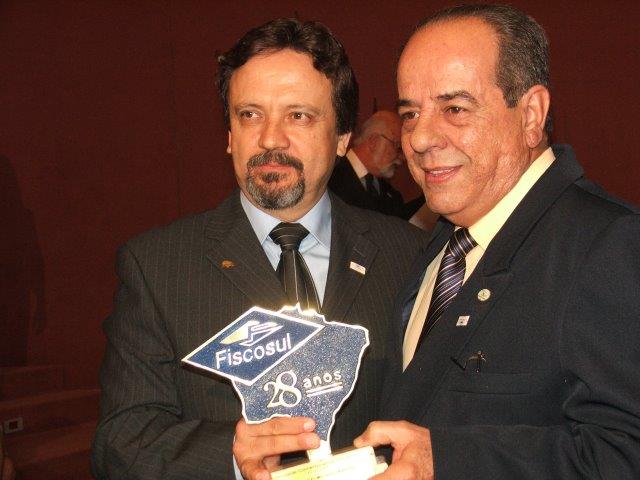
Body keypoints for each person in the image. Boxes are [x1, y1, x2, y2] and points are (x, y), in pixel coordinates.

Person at [235, 4, 640, 480]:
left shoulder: (608, 246)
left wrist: (446, 461)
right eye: (410, 113)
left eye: (455, 109)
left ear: (531, 114)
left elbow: (625, 454)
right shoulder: (438, 246)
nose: (421, 138)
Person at [91, 18, 426, 479]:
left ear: (343, 137)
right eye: (250, 114)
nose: (270, 139)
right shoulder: (156, 268)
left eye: (298, 116)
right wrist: (230, 455)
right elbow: (119, 444)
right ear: (230, 135)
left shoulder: (409, 255)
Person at [328, 110, 408, 218]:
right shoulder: (329, 179)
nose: (403, 157)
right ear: (373, 141)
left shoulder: (392, 196)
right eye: (398, 147)